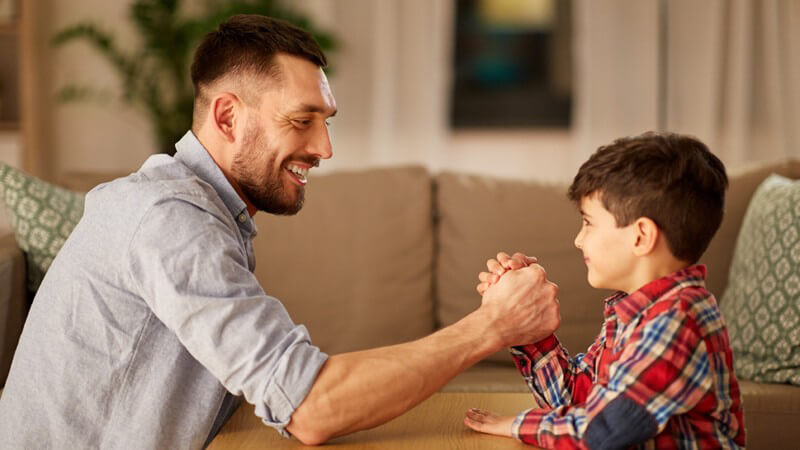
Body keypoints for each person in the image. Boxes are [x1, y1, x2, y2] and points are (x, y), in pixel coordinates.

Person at [0, 14, 562, 449]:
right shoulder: (171, 220)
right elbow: (311, 406)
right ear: (226, 118)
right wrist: (491, 326)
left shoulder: (203, 212)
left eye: (325, 121)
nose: (324, 148)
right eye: (301, 121)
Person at [464, 132, 746, 448]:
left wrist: (516, 425)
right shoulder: (635, 311)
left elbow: (604, 431)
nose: (578, 239)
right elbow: (574, 401)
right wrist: (526, 328)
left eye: (589, 223)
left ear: (640, 236)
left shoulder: (678, 320)